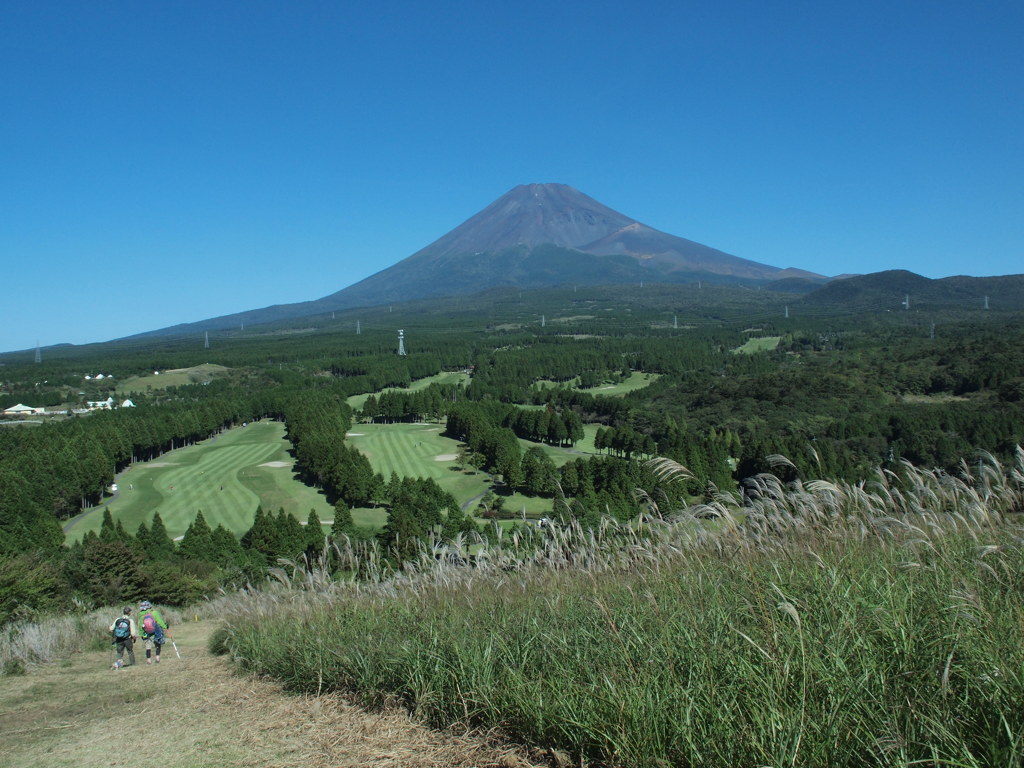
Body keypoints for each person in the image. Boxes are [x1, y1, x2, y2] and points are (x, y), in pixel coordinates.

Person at [137, 600, 169, 664]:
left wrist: (141, 634)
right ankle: (157, 658)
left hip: (146, 632)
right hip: (155, 630)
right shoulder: (154, 612)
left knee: (148, 646)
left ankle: (148, 660)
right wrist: (165, 626)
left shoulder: (140, 615)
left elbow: (140, 626)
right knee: (157, 643)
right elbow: (159, 622)